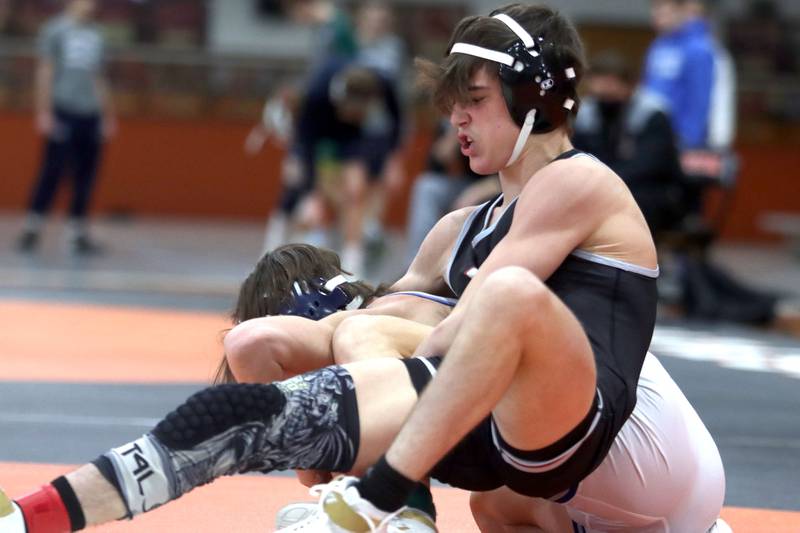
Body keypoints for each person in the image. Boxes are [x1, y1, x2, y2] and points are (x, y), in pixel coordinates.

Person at [0, 5, 727, 532]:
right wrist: (324, 357)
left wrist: (365, 378)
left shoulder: (579, 182)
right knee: (257, 372)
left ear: (534, 99)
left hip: (588, 425)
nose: (457, 123)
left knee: (489, 299)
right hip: (530, 465)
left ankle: (383, 498)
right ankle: (35, 513)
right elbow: (381, 321)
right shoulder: (456, 228)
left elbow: (464, 318)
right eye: (450, 109)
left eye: (472, 102)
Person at [0, 242, 727, 533]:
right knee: (497, 505)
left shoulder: (354, 329)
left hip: (610, 437)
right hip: (660, 477)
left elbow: (250, 345)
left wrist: (329, 463)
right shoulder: (418, 304)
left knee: (240, 422)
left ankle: (29, 517)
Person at [15, 0, 115, 256]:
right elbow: (45, 70)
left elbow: (99, 77)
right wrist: (44, 110)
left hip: (89, 112)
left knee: (86, 174)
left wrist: (107, 114)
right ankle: (33, 226)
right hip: (63, 108)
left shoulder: (97, 35)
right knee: (52, 169)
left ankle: (77, 232)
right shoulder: (55, 30)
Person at [572, 50, 685, 237]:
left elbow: (651, 165)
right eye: (599, 85)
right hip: (598, 186)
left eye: (611, 85)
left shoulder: (652, 114)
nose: (605, 93)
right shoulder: (586, 114)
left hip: (647, 191)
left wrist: (604, 182)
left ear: (630, 86)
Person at [404, 118, 498, 267]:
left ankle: (461, 266)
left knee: (468, 202)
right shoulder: (451, 123)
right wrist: (453, 134)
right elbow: (439, 160)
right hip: (461, 185)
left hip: (492, 188)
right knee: (427, 186)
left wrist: (476, 192)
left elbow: (505, 175)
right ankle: (417, 264)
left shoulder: (491, 124)